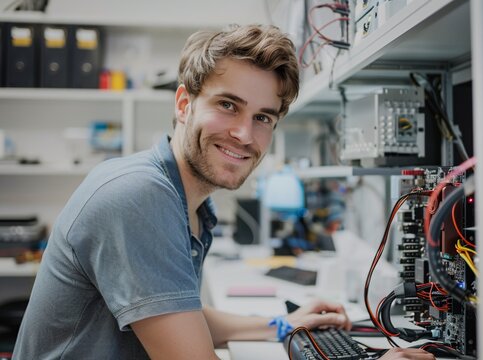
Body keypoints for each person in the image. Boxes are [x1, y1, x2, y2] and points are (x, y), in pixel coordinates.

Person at [12, 24, 434, 360]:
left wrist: (283, 325)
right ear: (183, 104)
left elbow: (181, 317)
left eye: (263, 117)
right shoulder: (139, 195)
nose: (243, 134)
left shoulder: (192, 205)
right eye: (228, 105)